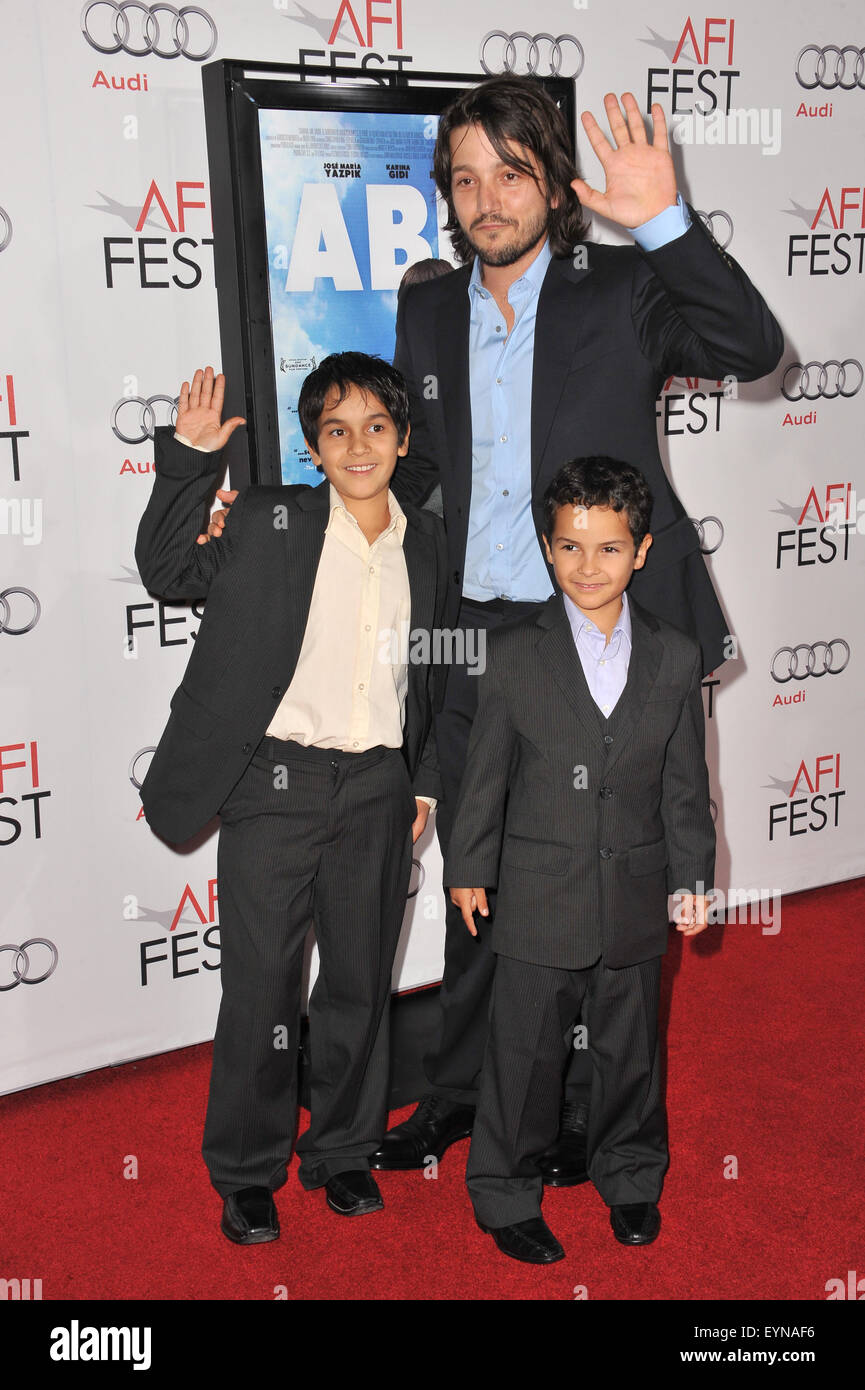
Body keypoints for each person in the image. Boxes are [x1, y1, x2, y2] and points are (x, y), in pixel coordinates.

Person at [369, 76, 782, 1181]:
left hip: (603, 624)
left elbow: (749, 347)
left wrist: (663, 221)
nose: (485, 197)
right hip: (473, 636)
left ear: (553, 183)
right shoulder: (424, 307)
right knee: (478, 874)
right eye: (463, 178)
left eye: (509, 171)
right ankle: (465, 1095)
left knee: (608, 889)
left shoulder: (625, 285)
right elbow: (424, 475)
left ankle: (588, 1120)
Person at [135, 354, 447, 1243]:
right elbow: (167, 570)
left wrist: (421, 779)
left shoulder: (425, 540)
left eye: (375, 428)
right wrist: (189, 459)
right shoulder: (274, 517)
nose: (357, 446)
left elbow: (435, 673)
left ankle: (343, 1152)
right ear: (313, 447)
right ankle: (245, 1170)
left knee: (357, 982)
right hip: (276, 783)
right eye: (336, 430)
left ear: (402, 439)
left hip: (380, 787)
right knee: (261, 989)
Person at [445, 457, 715, 1263]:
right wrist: (468, 865)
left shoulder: (673, 656)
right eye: (567, 547)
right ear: (545, 547)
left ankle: (630, 1177)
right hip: (534, 892)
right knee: (522, 1056)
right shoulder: (511, 652)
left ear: (640, 551)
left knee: (630, 1051)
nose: (585, 567)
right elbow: (483, 774)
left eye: (606, 549)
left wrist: (692, 877)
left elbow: (685, 786)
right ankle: (502, 1190)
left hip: (633, 890)